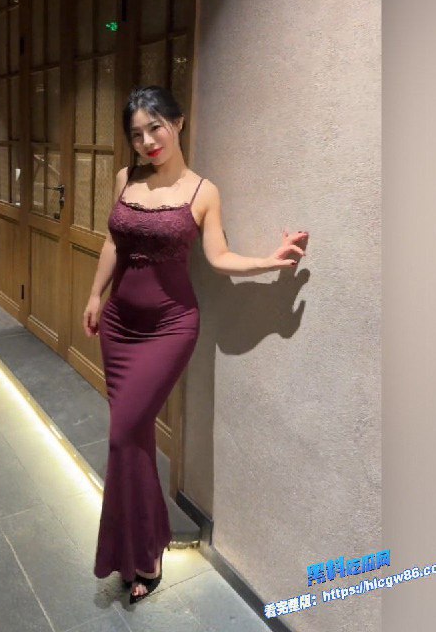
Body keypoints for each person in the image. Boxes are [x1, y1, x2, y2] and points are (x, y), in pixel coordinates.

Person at [83, 85, 309, 604]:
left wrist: (270, 260)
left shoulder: (203, 192)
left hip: (170, 327)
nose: (147, 141)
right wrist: (95, 294)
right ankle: (148, 544)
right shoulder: (125, 179)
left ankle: (141, 550)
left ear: (178, 123)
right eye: (136, 134)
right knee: (134, 439)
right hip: (119, 324)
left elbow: (220, 257)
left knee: (123, 435)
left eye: (155, 127)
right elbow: (114, 240)